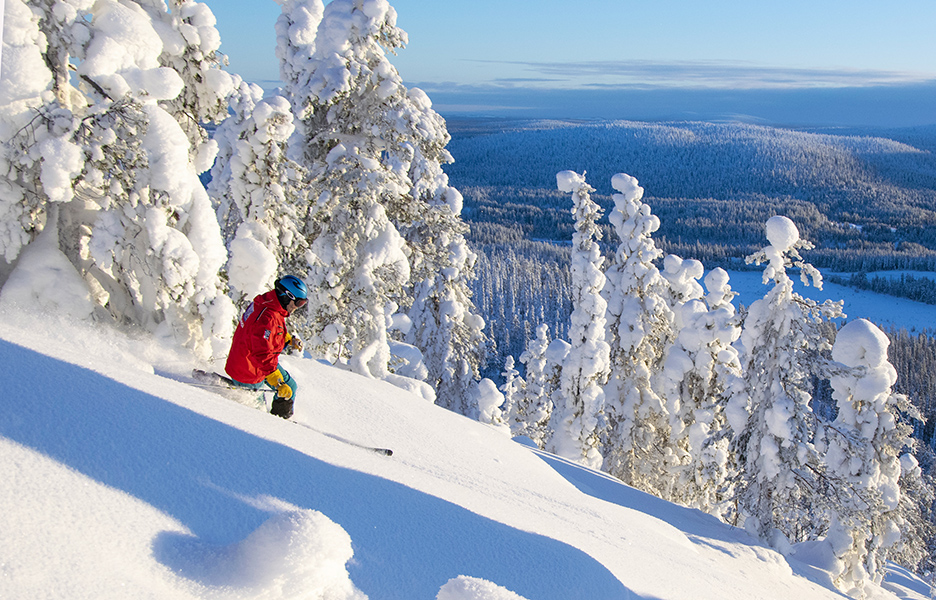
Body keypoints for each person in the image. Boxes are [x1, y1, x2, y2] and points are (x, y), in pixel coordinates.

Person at [225, 275, 307, 419]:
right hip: (249, 369)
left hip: (261, 362)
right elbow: (261, 351)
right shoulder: (267, 317)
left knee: (290, 387)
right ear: (286, 296)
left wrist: (288, 340)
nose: (297, 307)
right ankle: (268, 426)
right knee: (258, 413)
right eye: (298, 302)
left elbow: (271, 334)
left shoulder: (273, 306)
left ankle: (281, 420)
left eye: (302, 303)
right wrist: (278, 382)